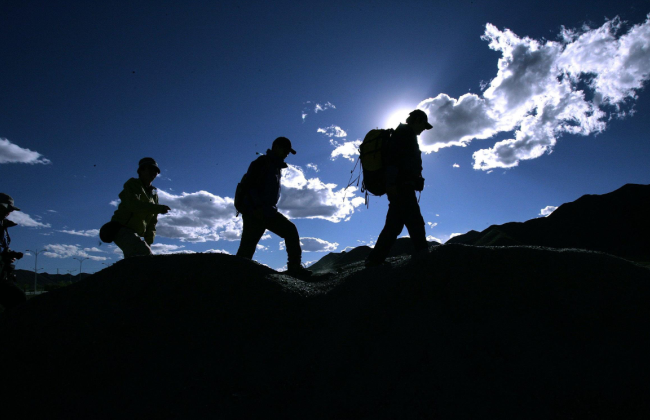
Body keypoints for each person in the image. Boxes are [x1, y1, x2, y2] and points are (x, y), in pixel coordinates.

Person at [365, 109, 433, 267]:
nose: (424, 129)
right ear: (417, 120)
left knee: (393, 226)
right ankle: (424, 255)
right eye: (424, 125)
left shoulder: (405, 134)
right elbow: (393, 161)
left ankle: (374, 259)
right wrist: (391, 184)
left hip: (400, 186)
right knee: (415, 220)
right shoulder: (404, 134)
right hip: (401, 187)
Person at [236, 137, 312, 277]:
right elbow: (250, 186)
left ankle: (294, 267)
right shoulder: (262, 163)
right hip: (257, 212)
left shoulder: (274, 166)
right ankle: (234, 277)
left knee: (248, 248)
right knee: (248, 248)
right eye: (285, 150)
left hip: (265, 211)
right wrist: (257, 208)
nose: (286, 154)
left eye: (288, 152)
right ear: (276, 147)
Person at [111, 158, 171, 258]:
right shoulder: (132, 184)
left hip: (135, 233)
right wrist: (158, 208)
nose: (154, 172)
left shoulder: (154, 195)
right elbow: (133, 205)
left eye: (156, 170)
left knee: (143, 256)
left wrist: (148, 242)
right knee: (142, 253)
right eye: (150, 169)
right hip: (121, 228)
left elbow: (152, 221)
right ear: (141, 170)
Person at [0, 193, 26, 310]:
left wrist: (10, 254)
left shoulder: (3, 226)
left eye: (10, 209)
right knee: (18, 299)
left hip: (3, 274)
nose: (9, 212)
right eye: (6, 208)